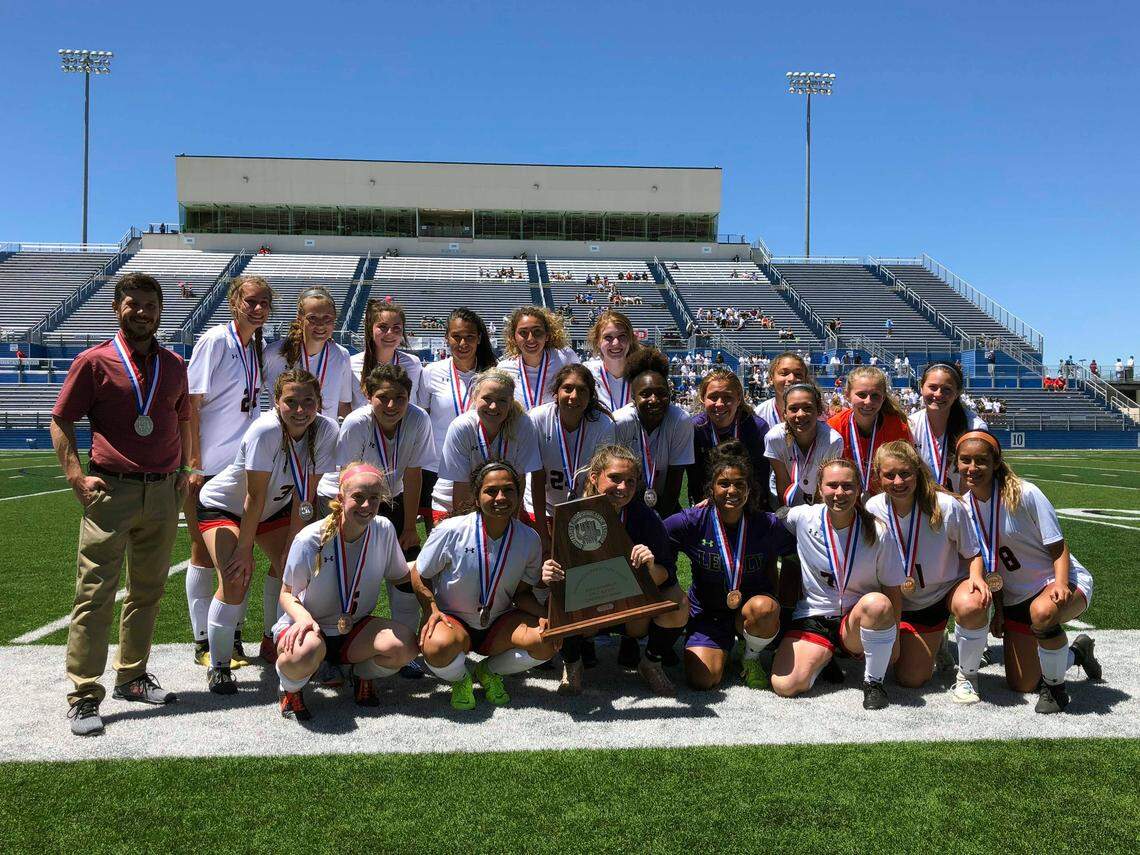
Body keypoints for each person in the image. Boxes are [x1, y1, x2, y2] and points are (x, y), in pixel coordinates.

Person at [51, 272, 191, 736]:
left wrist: (185, 469)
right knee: (95, 593)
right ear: (117, 307)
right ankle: (85, 693)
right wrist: (75, 475)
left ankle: (131, 676)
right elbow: (62, 419)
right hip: (112, 490)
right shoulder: (95, 362)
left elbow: (180, 417)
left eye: (151, 304)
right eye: (133, 303)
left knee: (149, 591)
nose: (143, 311)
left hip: (163, 489)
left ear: (160, 310)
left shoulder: (174, 364)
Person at [196, 369, 338, 694]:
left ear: (319, 402)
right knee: (235, 577)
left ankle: (272, 641)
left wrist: (294, 542)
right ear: (276, 402)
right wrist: (244, 550)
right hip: (226, 507)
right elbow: (253, 496)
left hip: (273, 510)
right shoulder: (265, 430)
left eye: (308, 401)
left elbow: (307, 496)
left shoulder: (326, 430)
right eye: (291, 401)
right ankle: (219, 666)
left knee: (295, 571)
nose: (300, 410)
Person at [956, 430, 1101, 713]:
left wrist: (1060, 584)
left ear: (996, 462)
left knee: (1043, 612)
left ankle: (1055, 691)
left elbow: (1058, 548)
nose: (973, 468)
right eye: (965, 460)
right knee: (1022, 684)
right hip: (1015, 598)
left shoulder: (1024, 493)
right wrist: (999, 610)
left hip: (1060, 582)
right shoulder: (965, 507)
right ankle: (1077, 653)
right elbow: (991, 568)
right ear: (957, 463)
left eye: (981, 461)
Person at [274, 464, 420, 720]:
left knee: (405, 646)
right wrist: (303, 618)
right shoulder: (311, 539)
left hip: (355, 629)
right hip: (312, 628)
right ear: (341, 499)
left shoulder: (383, 529)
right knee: (304, 653)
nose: (366, 506)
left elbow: (400, 575)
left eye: (374, 498)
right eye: (358, 497)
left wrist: (435, 565)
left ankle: (362, 673)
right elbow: (287, 593)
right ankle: (290, 688)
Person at [542, 444, 688, 695]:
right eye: (615, 478)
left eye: (630, 481)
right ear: (594, 477)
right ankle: (573, 662)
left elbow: (666, 577)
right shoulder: (572, 514)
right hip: (589, 604)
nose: (623, 488)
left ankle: (651, 662)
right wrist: (549, 573)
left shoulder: (645, 517)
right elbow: (560, 576)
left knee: (679, 602)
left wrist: (650, 566)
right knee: (552, 598)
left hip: (632, 605)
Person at [317, 364, 435, 674]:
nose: (393, 405)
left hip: (392, 498)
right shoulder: (357, 422)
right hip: (348, 499)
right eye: (384, 397)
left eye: (401, 397)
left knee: (406, 577)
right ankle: (329, 652)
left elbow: (413, 473)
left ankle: (405, 651)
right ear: (368, 395)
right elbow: (347, 479)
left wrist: (409, 526)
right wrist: (349, 519)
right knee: (339, 573)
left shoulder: (419, 419)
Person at [412, 461, 556, 709]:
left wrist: (545, 616)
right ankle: (461, 678)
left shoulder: (528, 538)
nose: (500, 497)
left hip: (499, 620)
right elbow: (419, 573)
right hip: (453, 620)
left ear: (518, 495)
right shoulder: (451, 530)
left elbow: (521, 594)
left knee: (547, 641)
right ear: (477, 497)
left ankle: (488, 671)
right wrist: (430, 609)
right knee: (436, 647)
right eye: (491, 491)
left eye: (508, 490)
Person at [184, 275, 273, 668]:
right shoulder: (215, 340)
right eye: (250, 301)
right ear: (234, 300)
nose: (257, 308)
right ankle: (203, 639)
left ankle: (232, 634)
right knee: (202, 554)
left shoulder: (257, 347)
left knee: (240, 554)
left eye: (264, 303)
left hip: (241, 468)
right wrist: (193, 463)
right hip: (209, 467)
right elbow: (191, 404)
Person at [771, 458, 905, 710]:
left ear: (859, 490)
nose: (839, 493)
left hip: (855, 623)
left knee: (878, 603)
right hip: (814, 618)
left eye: (847, 486)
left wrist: (894, 638)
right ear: (820, 490)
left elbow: (892, 588)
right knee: (784, 685)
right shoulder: (803, 517)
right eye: (832, 486)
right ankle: (825, 657)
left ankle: (873, 683)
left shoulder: (878, 531)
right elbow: (770, 518)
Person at [866, 441, 991, 702]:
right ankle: (936, 643)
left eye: (905, 473)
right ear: (878, 476)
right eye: (889, 475)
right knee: (909, 679)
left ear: (917, 472)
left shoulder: (946, 506)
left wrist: (977, 578)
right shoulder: (873, 509)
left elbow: (973, 553)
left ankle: (968, 676)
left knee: (973, 603)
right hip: (897, 601)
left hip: (940, 596)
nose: (898, 481)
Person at [666, 444, 795, 691]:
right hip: (707, 612)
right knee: (703, 680)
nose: (732, 490)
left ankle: (751, 656)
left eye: (739, 484)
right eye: (724, 484)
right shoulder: (693, 521)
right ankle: (722, 647)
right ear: (711, 489)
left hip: (751, 610)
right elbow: (658, 541)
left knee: (764, 607)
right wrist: (670, 582)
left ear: (749, 490)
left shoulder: (766, 524)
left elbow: (794, 558)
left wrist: (785, 604)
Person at [415, 307, 497, 532]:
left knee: (479, 535)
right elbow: (422, 416)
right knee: (438, 536)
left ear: (479, 338)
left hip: (480, 464)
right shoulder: (431, 371)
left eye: (469, 337)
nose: (463, 343)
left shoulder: (492, 374)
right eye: (456, 336)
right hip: (437, 466)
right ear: (446, 338)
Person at [526, 363, 615, 555]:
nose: (574, 396)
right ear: (556, 392)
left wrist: (586, 517)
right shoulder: (538, 419)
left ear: (590, 396)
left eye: (582, 390)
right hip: (543, 507)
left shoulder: (603, 424)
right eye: (567, 388)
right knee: (542, 571)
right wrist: (543, 532)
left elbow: (600, 480)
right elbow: (537, 478)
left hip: (583, 506)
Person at [435, 368, 542, 519]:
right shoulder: (462, 427)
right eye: (487, 398)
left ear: (511, 402)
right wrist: (466, 527)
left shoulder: (522, 424)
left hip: (501, 500)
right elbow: (461, 485)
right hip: (453, 501)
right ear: (475, 397)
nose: (493, 406)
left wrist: (512, 523)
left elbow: (519, 480)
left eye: (502, 400)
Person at [613, 347, 695, 517]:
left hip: (666, 503)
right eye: (645, 394)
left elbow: (675, 483)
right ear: (633, 398)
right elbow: (614, 479)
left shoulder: (680, 420)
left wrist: (658, 525)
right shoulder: (620, 422)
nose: (654, 400)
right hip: (624, 503)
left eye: (661, 393)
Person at [263, 286, 355, 420]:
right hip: (283, 438)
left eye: (327, 318)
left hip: (324, 438)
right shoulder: (273, 354)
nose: (320, 324)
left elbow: (343, 405)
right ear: (299, 318)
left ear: (335, 319)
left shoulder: (341, 355)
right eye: (312, 318)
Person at [688, 367, 771, 509]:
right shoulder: (695, 429)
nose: (719, 404)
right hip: (706, 505)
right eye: (713, 397)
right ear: (702, 398)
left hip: (748, 504)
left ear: (739, 398)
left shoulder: (757, 428)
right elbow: (694, 477)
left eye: (727, 397)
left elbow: (760, 479)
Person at [828, 366, 914, 496]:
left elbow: (906, 470)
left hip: (886, 501)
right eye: (861, 395)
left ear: (883, 397)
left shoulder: (897, 426)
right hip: (843, 502)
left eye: (875, 396)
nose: (868, 402)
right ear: (847, 395)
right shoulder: (834, 427)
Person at [908, 362, 987, 492]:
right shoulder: (910, 424)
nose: (938, 394)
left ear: (957, 393)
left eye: (947, 389)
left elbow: (974, 480)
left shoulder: (974, 427)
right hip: (920, 507)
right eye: (932, 387)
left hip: (961, 506)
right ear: (921, 388)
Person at [764, 383, 845, 509]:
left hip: (818, 502)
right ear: (784, 413)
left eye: (807, 408)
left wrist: (814, 518)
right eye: (793, 409)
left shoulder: (833, 441)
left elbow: (823, 486)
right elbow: (782, 480)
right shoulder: (774, 438)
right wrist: (787, 516)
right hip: (782, 502)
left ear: (819, 410)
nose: (800, 414)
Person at [497, 306, 579, 410]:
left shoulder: (565, 357)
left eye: (537, 331)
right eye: (523, 332)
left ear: (547, 335)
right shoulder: (504, 369)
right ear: (513, 338)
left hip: (553, 426)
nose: (531, 339)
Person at [351, 299, 423, 408]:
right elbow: (344, 405)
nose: (390, 333)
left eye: (396, 328)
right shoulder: (350, 364)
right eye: (383, 327)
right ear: (371, 330)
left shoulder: (413, 364)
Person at [584, 309, 641, 413]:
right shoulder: (587, 373)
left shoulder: (642, 375)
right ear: (597, 341)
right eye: (608, 337)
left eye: (622, 336)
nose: (615, 343)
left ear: (631, 339)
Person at [754, 351, 810, 428]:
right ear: (771, 379)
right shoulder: (759, 415)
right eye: (784, 373)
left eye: (798, 374)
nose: (792, 378)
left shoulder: (818, 415)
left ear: (805, 379)